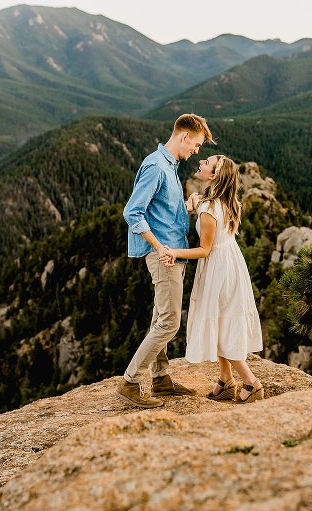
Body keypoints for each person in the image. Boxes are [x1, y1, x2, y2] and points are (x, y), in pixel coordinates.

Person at [117, 113, 215, 409]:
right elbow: (132, 212)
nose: (196, 151)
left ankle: (160, 379)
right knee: (170, 322)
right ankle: (131, 382)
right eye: (196, 144)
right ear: (185, 136)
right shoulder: (157, 166)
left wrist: (186, 207)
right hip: (166, 256)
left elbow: (161, 212)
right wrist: (160, 248)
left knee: (160, 317)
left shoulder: (169, 166)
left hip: (173, 251)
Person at [161, 155, 264, 404]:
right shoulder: (223, 202)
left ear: (214, 175)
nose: (203, 161)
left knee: (221, 325)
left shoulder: (209, 209)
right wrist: (196, 202)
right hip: (230, 264)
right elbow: (210, 217)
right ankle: (226, 379)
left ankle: (250, 382)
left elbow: (204, 249)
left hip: (217, 268)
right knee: (221, 320)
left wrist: (174, 252)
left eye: (208, 162)